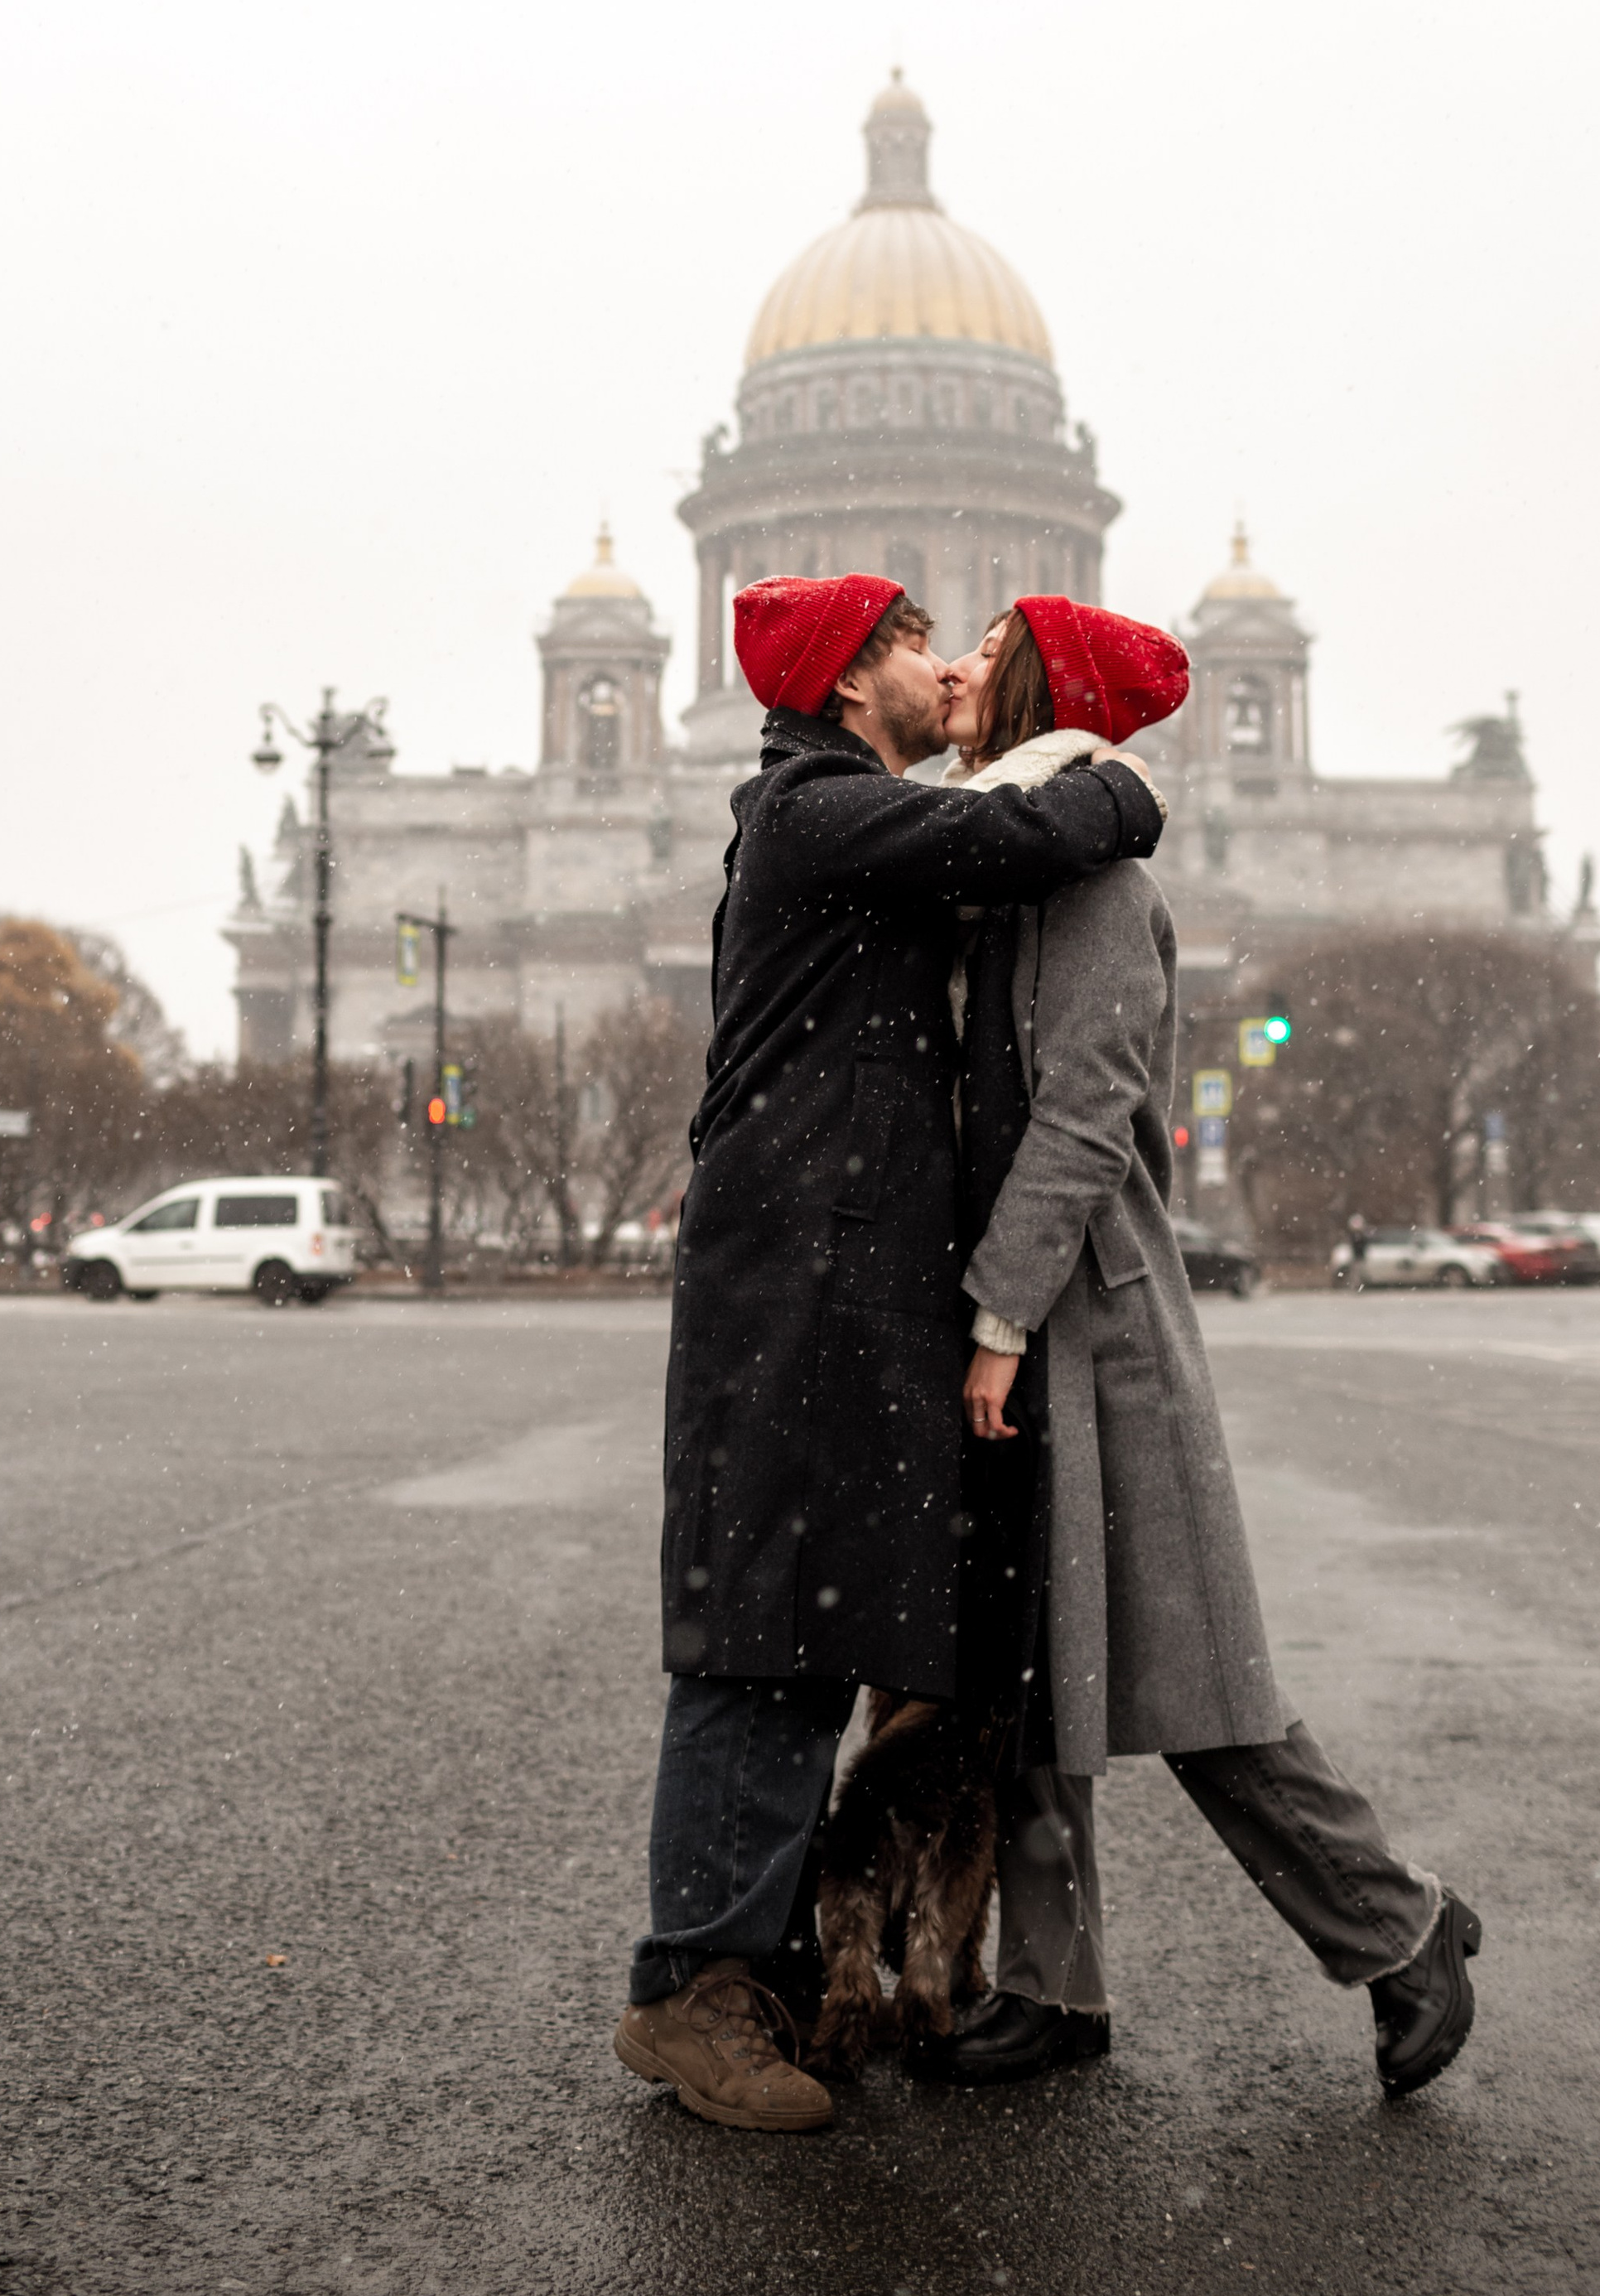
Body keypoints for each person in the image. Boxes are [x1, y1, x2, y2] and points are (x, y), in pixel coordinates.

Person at [611, 570, 1166, 2133]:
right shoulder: (820, 808)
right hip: (795, 1282)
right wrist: (1126, 779)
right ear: (855, 681)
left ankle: (772, 1965)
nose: (942, 664)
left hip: (845, 1282)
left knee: (813, 1628)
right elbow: (1038, 834)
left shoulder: (861, 821)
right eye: (918, 643)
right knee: (756, 1634)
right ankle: (691, 1988)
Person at [933, 593, 1481, 2101]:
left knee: (1191, 1678)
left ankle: (1400, 1927)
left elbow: (1083, 1116)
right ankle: (1054, 1984)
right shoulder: (990, 862)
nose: (958, 666)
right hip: (1015, 1316)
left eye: (989, 650)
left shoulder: (1099, 885)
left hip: (1094, 1323)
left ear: (1043, 689)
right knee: (1031, 1672)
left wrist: (1000, 1314)